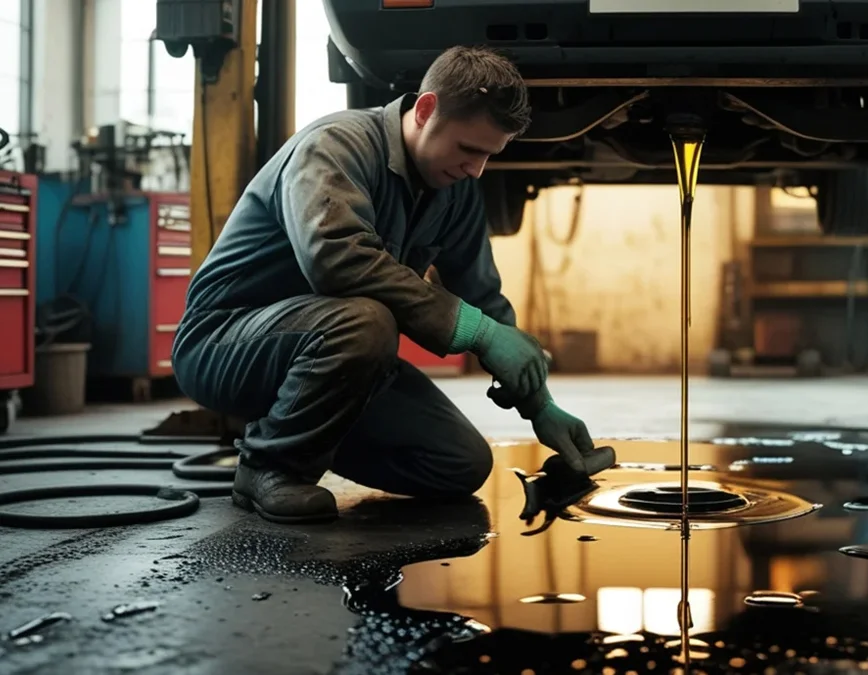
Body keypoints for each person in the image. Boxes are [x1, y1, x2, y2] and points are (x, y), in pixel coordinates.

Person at [172, 46, 597, 524]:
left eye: (489, 156)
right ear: (426, 109)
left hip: (333, 351)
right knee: (367, 321)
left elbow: (482, 296)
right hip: (225, 343)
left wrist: (538, 401)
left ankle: (304, 429)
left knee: (459, 464)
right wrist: (480, 334)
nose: (477, 169)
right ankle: (271, 466)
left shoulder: (454, 191)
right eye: (469, 150)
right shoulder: (336, 145)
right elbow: (337, 262)